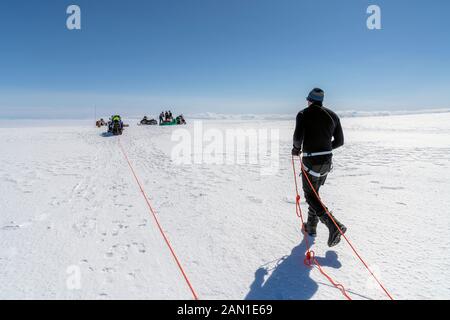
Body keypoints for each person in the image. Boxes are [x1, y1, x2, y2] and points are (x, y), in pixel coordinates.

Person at [292, 88, 346, 247]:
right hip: (326, 163)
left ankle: (333, 225)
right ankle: (311, 227)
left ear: (309, 100)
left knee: (310, 196)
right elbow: (340, 141)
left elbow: (297, 137)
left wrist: (296, 149)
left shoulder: (303, 114)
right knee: (315, 195)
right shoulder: (333, 115)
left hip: (311, 163)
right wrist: (325, 148)